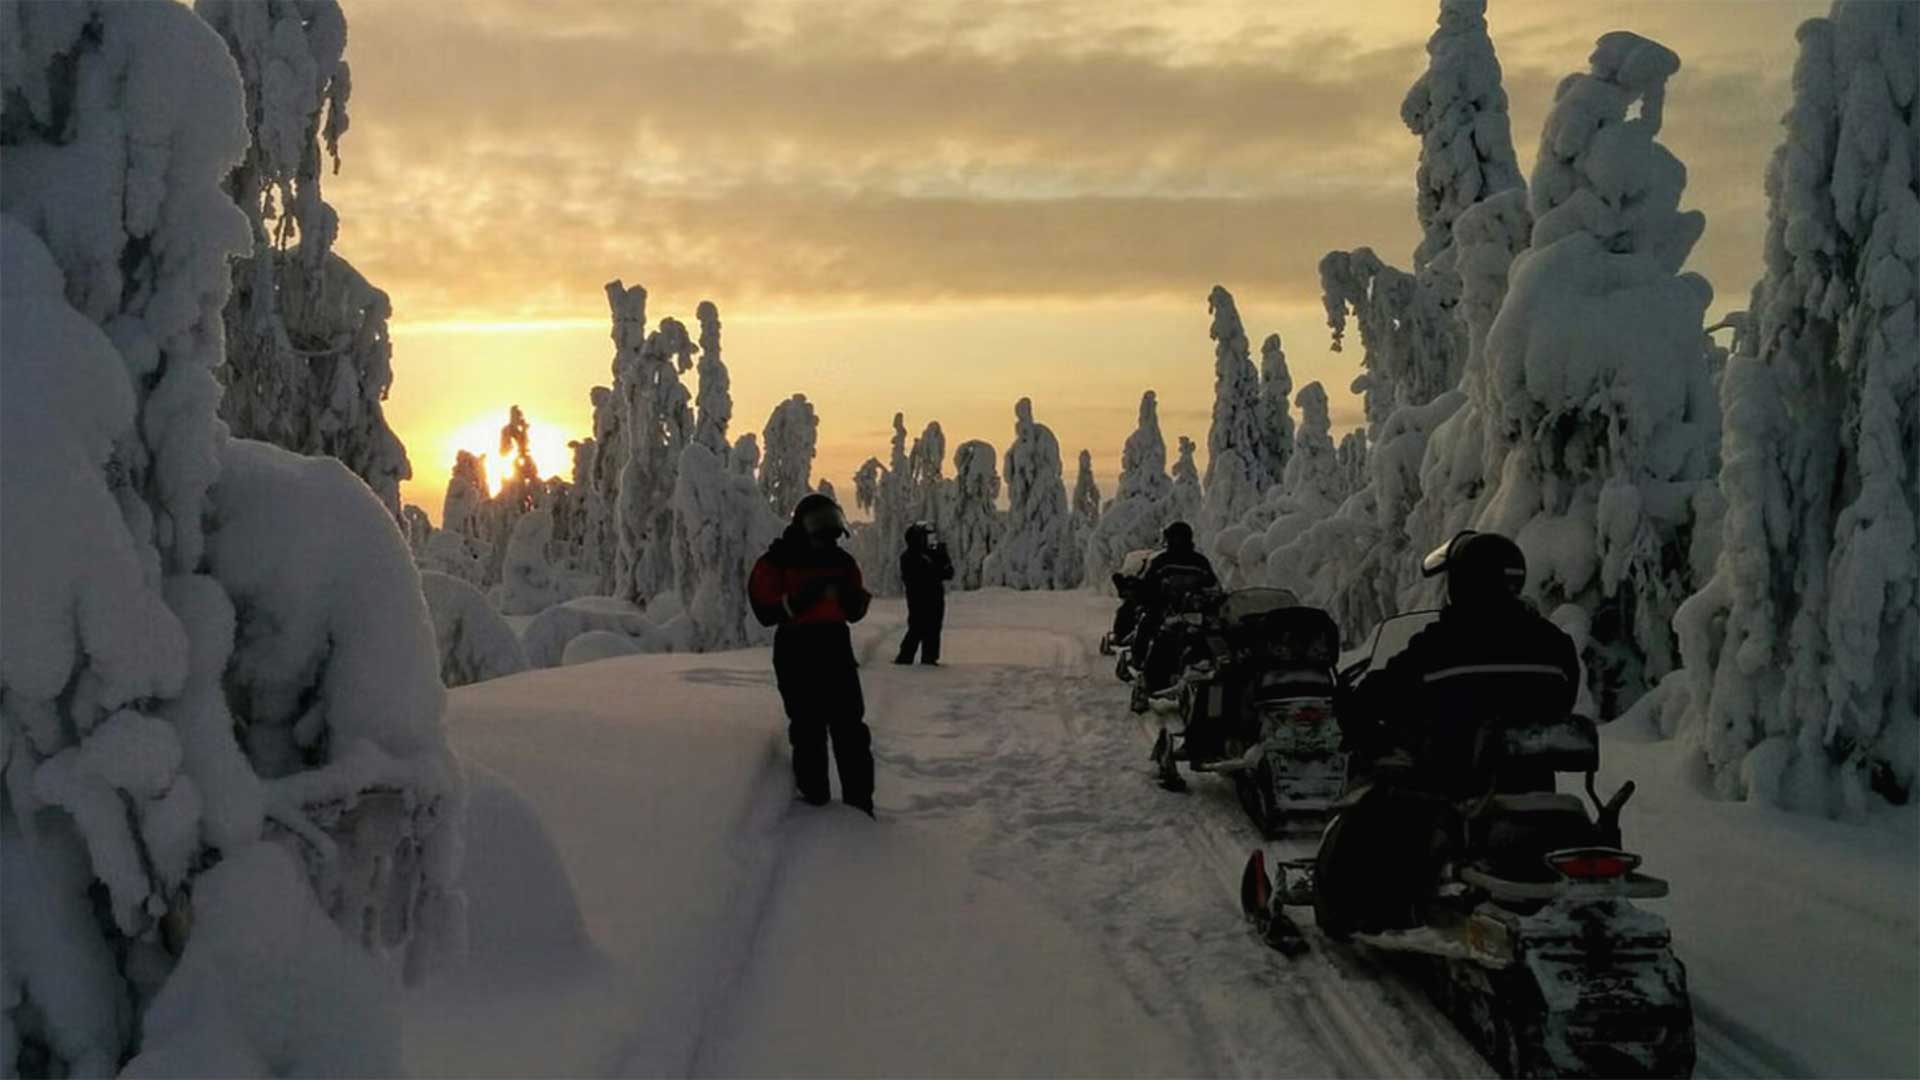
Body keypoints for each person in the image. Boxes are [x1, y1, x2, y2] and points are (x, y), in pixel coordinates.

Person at [1316, 530, 1580, 934]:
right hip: (1530, 781)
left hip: (1451, 781)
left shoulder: (1441, 643)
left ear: (1462, 583)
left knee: (1371, 806)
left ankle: (1357, 911)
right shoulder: (1554, 644)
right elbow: (1563, 702)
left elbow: (1377, 695)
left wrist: (1360, 715)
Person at [749, 494, 876, 815]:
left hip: (834, 644)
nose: (828, 533)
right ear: (802, 524)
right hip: (797, 647)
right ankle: (814, 801)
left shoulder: (843, 562)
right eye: (820, 524)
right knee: (808, 727)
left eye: (831, 524)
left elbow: (854, 611)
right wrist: (806, 598)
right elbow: (765, 610)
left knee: (850, 728)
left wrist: (854, 600)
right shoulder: (777, 560)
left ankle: (860, 805)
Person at [1130, 521, 1220, 711]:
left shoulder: (1196, 562)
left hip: (1194, 614)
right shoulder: (1165, 562)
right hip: (1170, 612)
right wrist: (1149, 598)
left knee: (1214, 644)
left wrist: (1213, 601)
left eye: (1180, 538)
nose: (1177, 541)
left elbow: (1214, 587)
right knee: (1157, 636)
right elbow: (1148, 587)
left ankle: (1213, 690)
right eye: (1175, 538)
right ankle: (1147, 680)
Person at [895, 521, 954, 665]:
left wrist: (943, 558)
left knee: (933, 629)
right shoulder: (910, 556)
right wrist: (938, 562)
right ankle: (905, 658)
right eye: (926, 537)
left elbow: (948, 573)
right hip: (919, 599)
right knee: (917, 627)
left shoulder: (930, 555)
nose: (930, 540)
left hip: (934, 598)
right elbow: (926, 575)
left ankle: (929, 659)